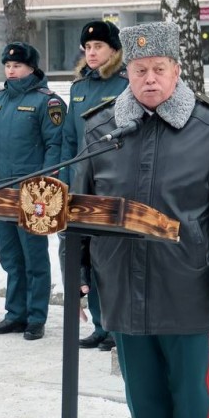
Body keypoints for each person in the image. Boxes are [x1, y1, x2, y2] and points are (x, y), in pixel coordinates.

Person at [73, 22, 209, 418]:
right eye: (140, 70)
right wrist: (77, 275)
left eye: (159, 69)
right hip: (121, 285)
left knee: (192, 401)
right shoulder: (102, 127)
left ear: (176, 70)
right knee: (144, 402)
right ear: (127, 72)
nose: (150, 79)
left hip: (185, 287)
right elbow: (81, 211)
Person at [0, 42, 66, 340]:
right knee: (10, 256)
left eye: (18, 66)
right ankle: (15, 314)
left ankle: (36, 317)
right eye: (8, 66)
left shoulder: (48, 102)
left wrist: (47, 185)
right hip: (0, 188)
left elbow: (55, 146)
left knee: (34, 257)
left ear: (32, 68)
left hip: (33, 192)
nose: (11, 70)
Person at [59, 19, 127, 352]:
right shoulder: (79, 88)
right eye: (87, 47)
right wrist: (63, 177)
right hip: (79, 179)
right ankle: (100, 325)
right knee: (84, 254)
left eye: (98, 46)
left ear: (114, 50)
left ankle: (115, 325)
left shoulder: (125, 84)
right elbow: (68, 138)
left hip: (111, 180)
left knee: (109, 256)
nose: (91, 52)